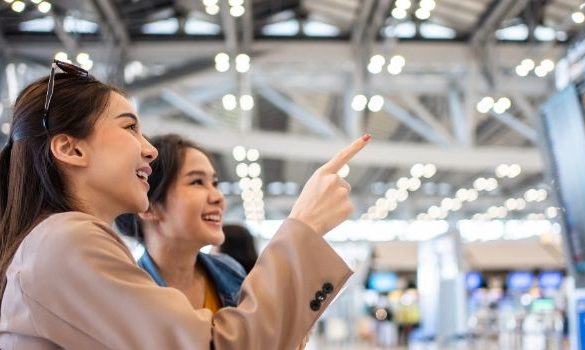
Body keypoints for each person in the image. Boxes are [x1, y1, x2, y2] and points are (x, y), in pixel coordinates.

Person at [0, 59, 371, 349]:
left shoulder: (59, 243)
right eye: (130, 128)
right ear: (71, 148)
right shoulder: (65, 240)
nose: (148, 149)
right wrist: (303, 228)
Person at [115, 134, 247, 311]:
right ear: (149, 207)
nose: (218, 197)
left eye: (214, 183)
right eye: (197, 182)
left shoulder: (230, 272)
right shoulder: (126, 295)